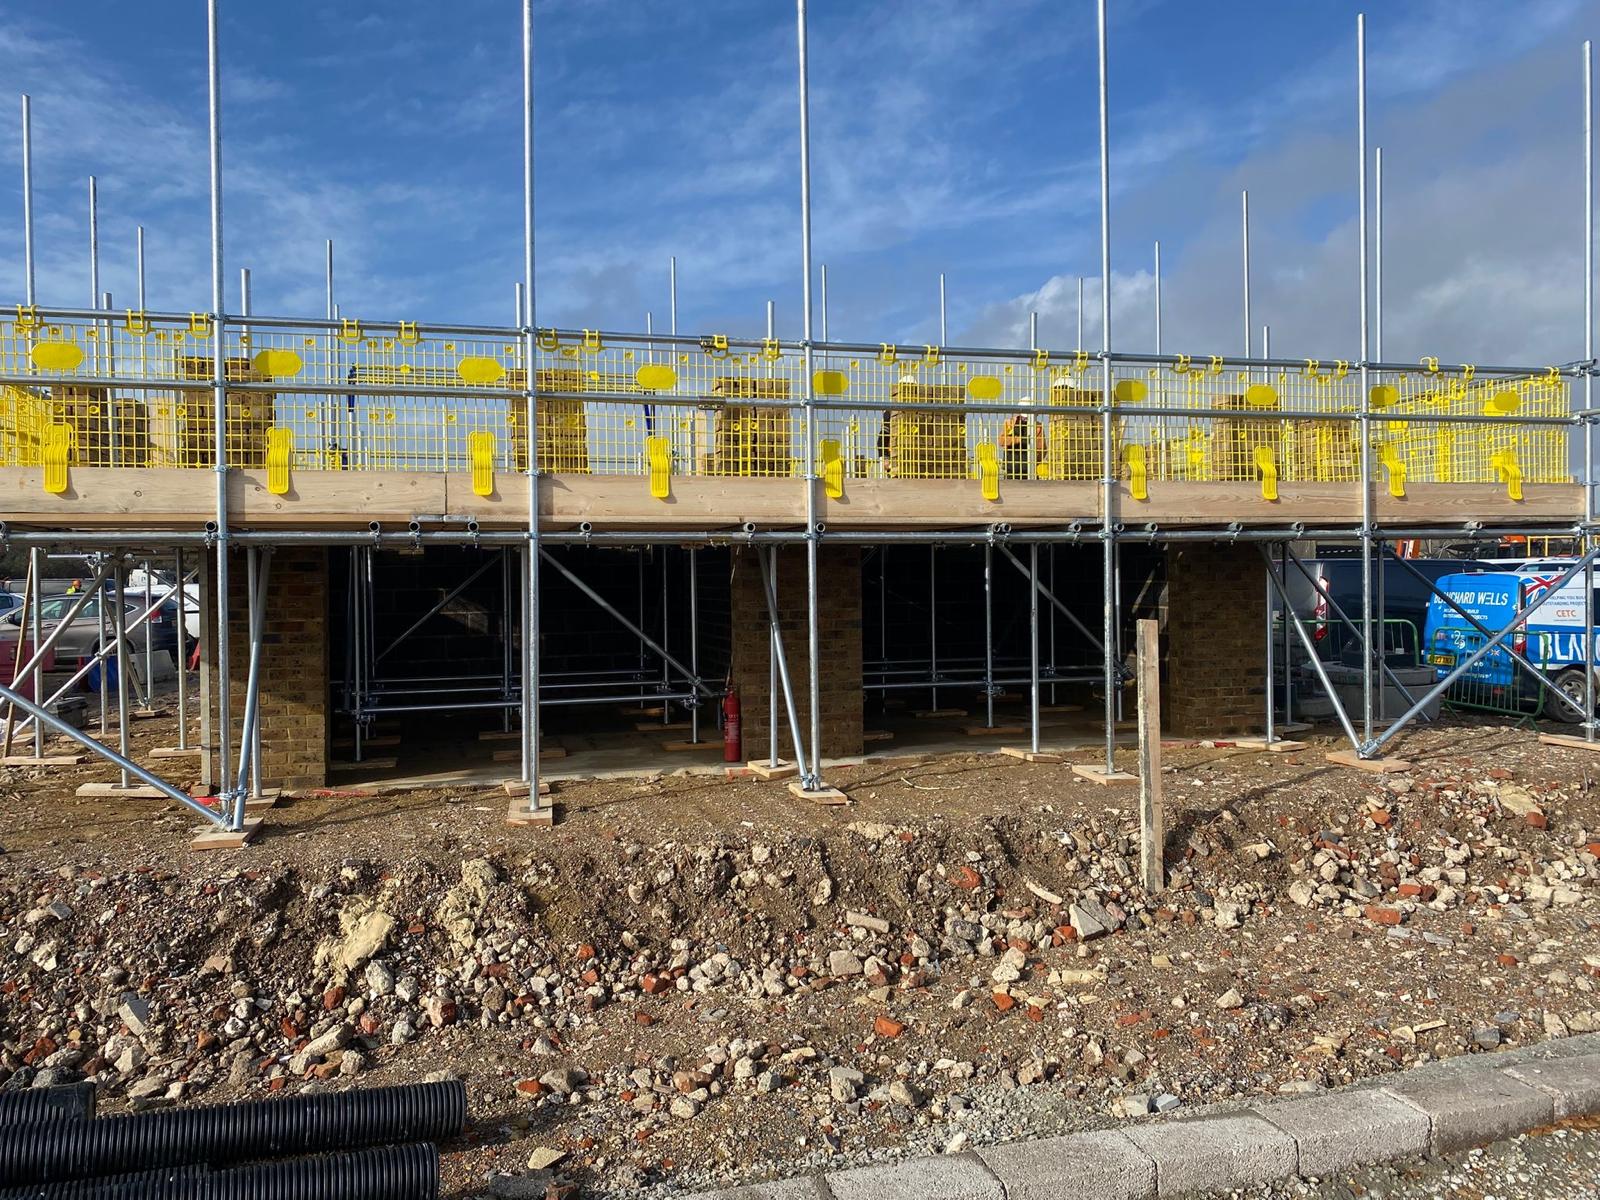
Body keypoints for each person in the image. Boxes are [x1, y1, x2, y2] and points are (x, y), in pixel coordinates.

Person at [998, 393, 1044, 479]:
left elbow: (1041, 449)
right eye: (1024, 418)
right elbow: (1001, 441)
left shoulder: (1038, 427)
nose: (1025, 419)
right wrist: (1019, 439)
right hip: (1011, 467)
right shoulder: (1009, 423)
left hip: (1029, 468)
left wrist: (1034, 462)